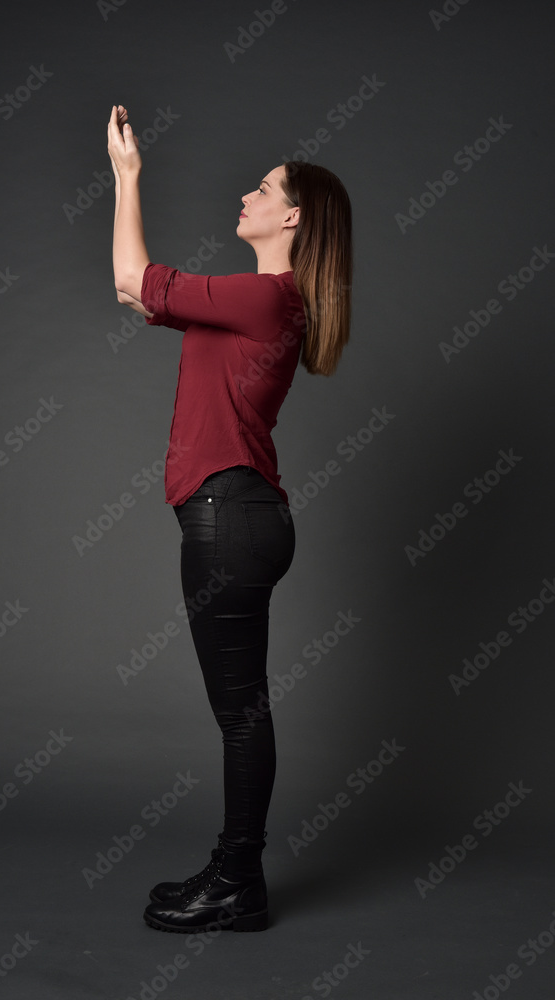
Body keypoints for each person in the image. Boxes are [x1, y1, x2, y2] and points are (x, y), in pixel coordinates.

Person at [107, 104, 353, 933]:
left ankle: (239, 882)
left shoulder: (262, 298)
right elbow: (146, 306)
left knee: (240, 713)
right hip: (238, 515)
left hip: (229, 518)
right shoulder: (261, 303)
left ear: (292, 216)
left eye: (262, 188)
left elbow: (128, 282)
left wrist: (127, 176)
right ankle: (231, 867)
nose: (245, 195)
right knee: (241, 710)